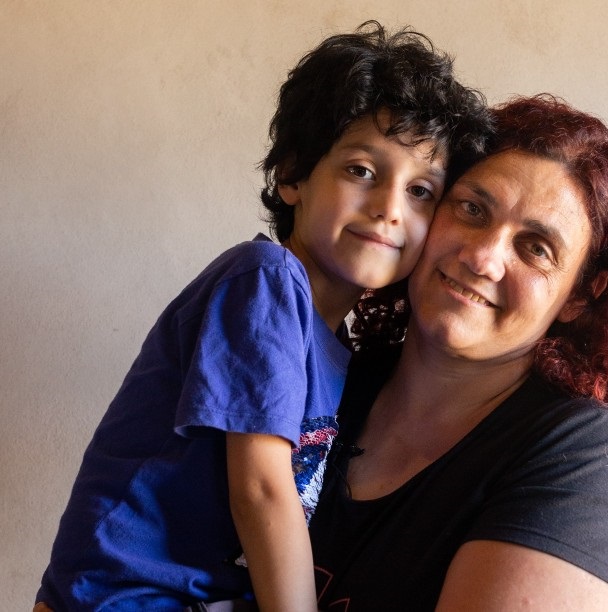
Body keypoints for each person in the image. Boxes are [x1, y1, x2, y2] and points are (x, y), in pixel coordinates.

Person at [34, 22, 490, 611]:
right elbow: (262, 490)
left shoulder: (335, 345)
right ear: (293, 175)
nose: (389, 210)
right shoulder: (266, 281)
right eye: (361, 171)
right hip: (122, 597)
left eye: (421, 191)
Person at [308, 94, 608, 611]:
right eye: (472, 209)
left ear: (580, 297)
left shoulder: (586, 459)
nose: (482, 257)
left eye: (536, 247)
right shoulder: (323, 375)